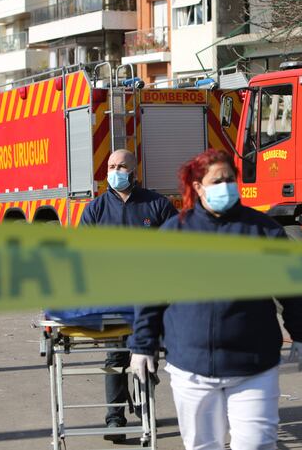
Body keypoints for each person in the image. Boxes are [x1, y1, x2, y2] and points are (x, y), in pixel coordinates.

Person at [130, 149, 302, 450]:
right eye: (217, 181)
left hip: (253, 366)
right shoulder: (174, 233)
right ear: (198, 187)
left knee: (256, 444)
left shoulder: (263, 230)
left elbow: (294, 289)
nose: (226, 187)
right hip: (191, 367)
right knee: (203, 446)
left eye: (230, 180)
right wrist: (142, 346)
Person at [80, 148, 177, 442]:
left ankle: (145, 411)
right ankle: (114, 419)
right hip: (113, 297)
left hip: (150, 297)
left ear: (134, 170)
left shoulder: (157, 205)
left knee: (146, 355)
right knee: (116, 357)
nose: (115, 171)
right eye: (111, 166)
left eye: (121, 166)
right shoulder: (95, 210)